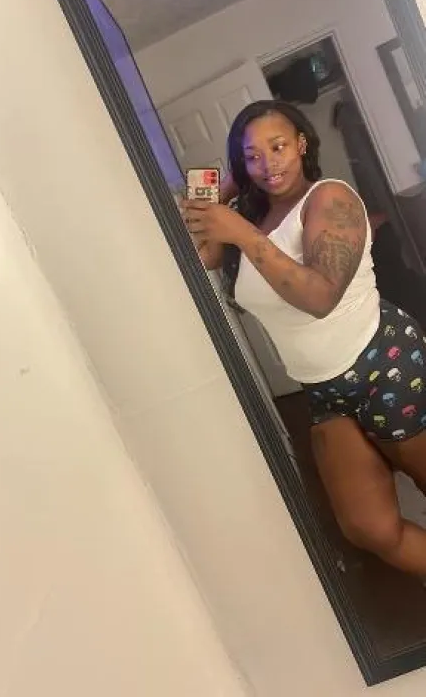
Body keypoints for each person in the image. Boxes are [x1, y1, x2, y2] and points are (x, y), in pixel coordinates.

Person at [182, 99, 426, 578]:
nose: (267, 163)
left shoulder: (328, 198)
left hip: (384, 364)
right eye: (252, 156)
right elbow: (202, 257)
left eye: (277, 147)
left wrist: (242, 233)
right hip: (323, 388)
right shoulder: (253, 215)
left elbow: (319, 297)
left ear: (300, 143)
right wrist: (223, 191)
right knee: (369, 528)